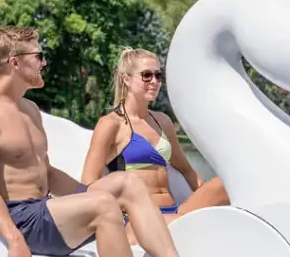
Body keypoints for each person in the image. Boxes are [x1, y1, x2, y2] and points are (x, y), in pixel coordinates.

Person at [0, 27, 234, 257]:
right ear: (15, 62)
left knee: (126, 183)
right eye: (39, 56)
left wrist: (88, 195)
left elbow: (48, 174)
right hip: (20, 220)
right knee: (102, 204)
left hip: (44, 210)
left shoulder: (29, 110)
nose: (44, 63)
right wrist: (14, 240)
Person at [81, 47, 230, 243]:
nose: (155, 81)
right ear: (126, 79)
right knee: (183, 224)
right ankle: (189, 226)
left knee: (225, 184)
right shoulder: (111, 124)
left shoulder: (163, 122)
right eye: (146, 75)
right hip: (138, 219)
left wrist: (204, 196)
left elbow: (186, 169)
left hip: (174, 211)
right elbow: (89, 183)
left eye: (159, 75)